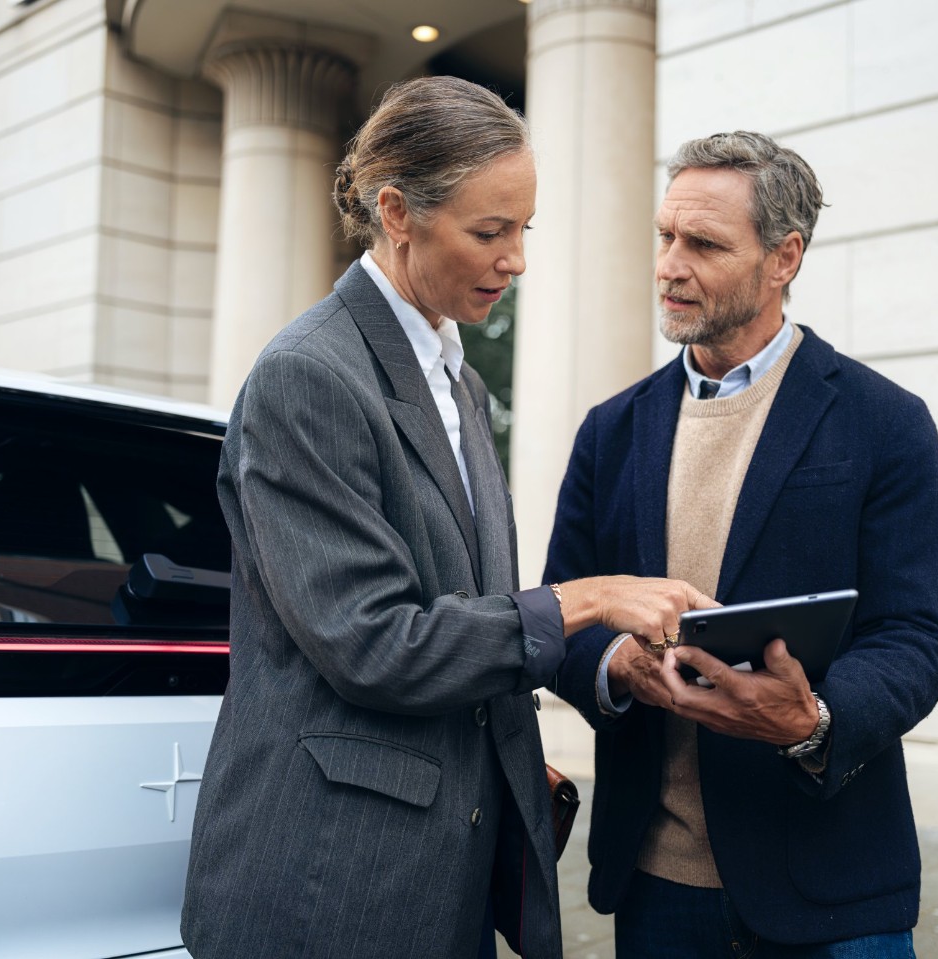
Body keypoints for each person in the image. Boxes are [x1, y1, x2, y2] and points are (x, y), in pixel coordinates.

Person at [180, 76, 711, 959]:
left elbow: (465, 609)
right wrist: (583, 601)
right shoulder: (308, 377)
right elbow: (376, 642)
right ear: (397, 211)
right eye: (488, 231)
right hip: (333, 884)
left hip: (442, 867)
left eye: (524, 230)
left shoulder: (459, 381)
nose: (517, 260)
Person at [545, 130, 938, 957]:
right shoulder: (610, 431)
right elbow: (560, 611)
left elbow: (915, 637)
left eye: (703, 243)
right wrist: (614, 666)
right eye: (665, 236)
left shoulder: (886, 422)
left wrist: (812, 720)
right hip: (655, 886)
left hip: (831, 887)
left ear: (784, 257)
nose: (669, 263)